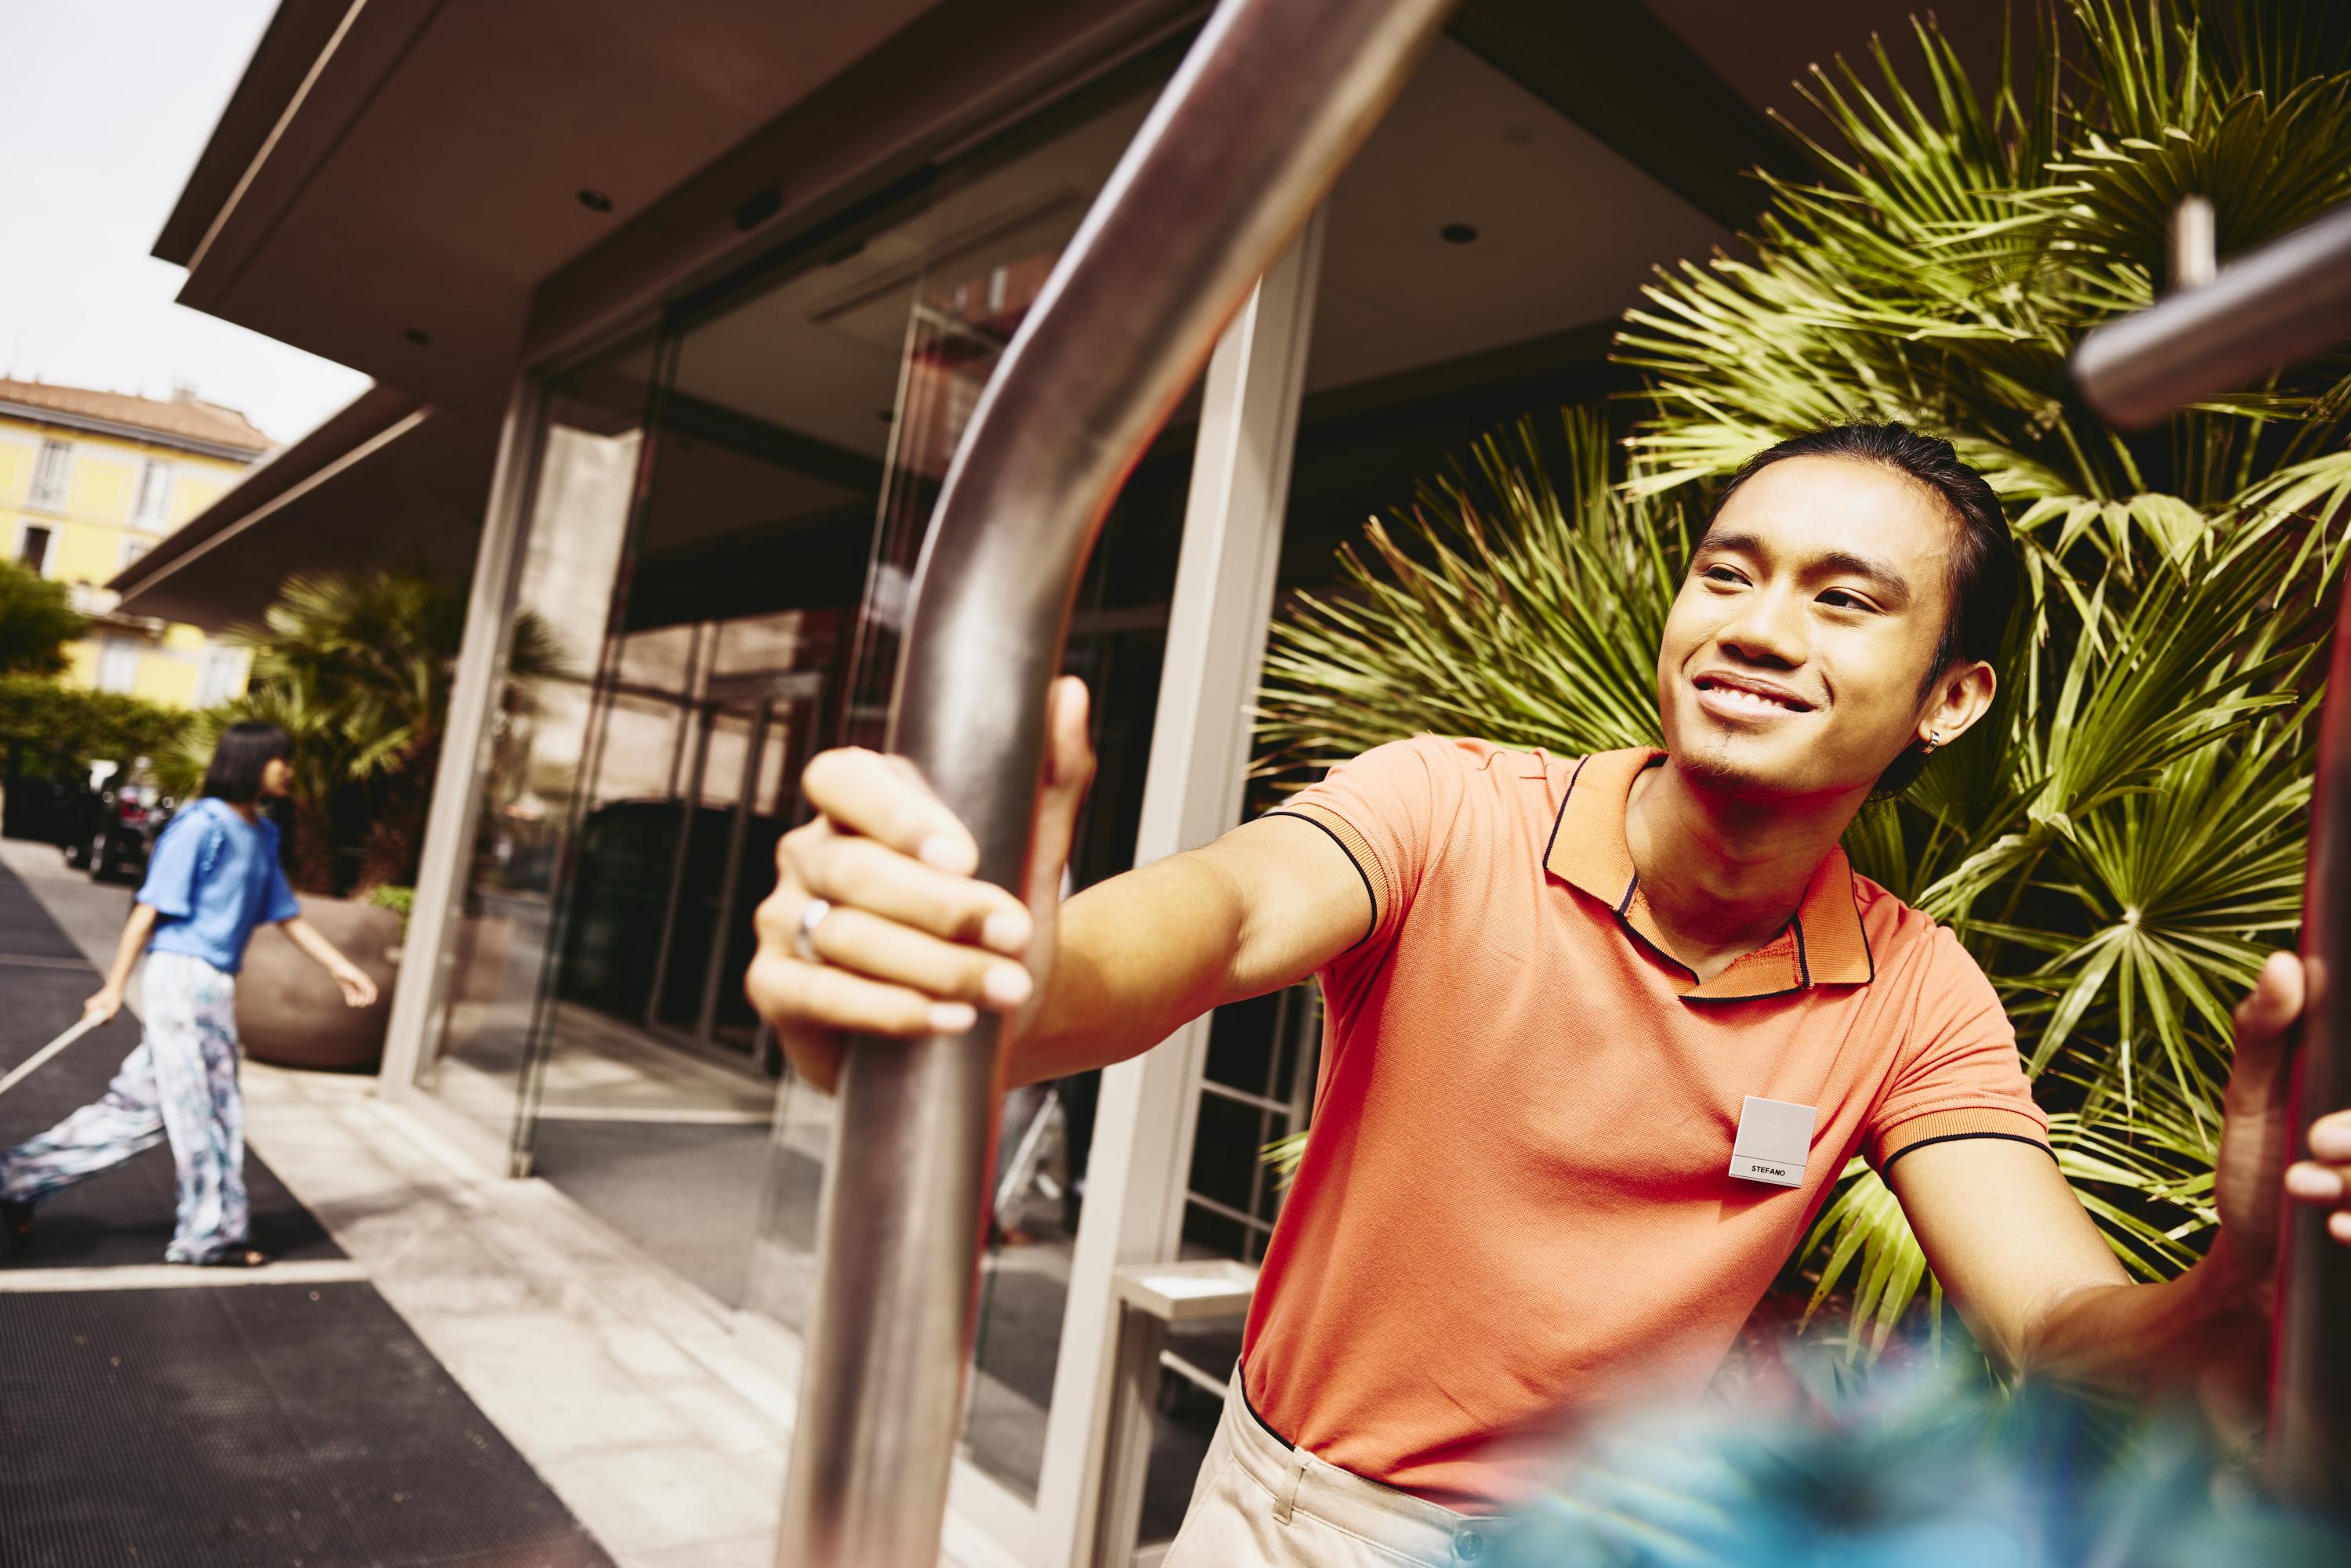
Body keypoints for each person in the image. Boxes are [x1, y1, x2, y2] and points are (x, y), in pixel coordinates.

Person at [746, 424, 2351, 1566]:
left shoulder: (1916, 989)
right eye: (1731, 570)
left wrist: (2247, 1273)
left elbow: (2064, 1326)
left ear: (1952, 697)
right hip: (1268, 1510)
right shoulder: (1449, 808)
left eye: (1843, 597)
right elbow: (1214, 927)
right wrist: (997, 969)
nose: (1757, 626)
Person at [0, 721, 379, 1267]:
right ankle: (211, 1234)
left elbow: (285, 914)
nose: (288, 769)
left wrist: (342, 967)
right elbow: (147, 911)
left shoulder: (263, 833)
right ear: (251, 761)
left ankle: (16, 1178)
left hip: (212, 985)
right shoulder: (201, 826)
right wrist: (112, 989)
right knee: (211, 1109)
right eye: (280, 759)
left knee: (143, 1108)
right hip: (181, 980)